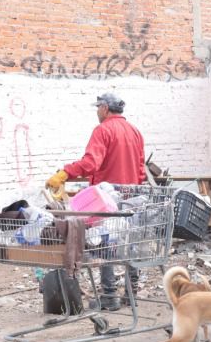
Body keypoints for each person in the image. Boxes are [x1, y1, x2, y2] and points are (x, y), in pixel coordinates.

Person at [47, 92, 146, 308]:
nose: (96, 112)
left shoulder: (103, 130)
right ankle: (131, 293)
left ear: (105, 108)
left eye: (98, 107)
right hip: (132, 196)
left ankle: (109, 295)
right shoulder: (135, 131)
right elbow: (141, 169)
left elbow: (91, 163)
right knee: (131, 243)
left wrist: (65, 173)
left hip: (106, 199)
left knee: (104, 243)